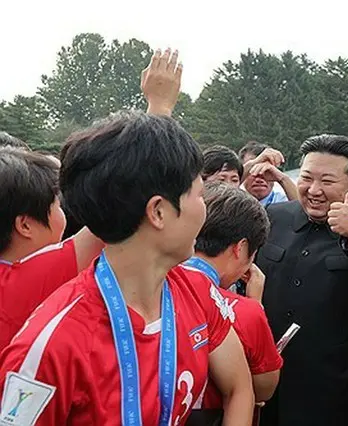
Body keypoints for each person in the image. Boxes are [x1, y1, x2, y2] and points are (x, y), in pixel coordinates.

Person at [0, 50, 254, 426]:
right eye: (200, 195)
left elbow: (241, 388)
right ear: (157, 212)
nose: (206, 210)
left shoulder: (195, 291)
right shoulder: (53, 344)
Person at [256, 134, 348, 426]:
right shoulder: (274, 217)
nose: (314, 190)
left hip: (334, 386)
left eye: (327, 181)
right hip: (270, 378)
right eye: (307, 178)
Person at [181, 183, 281, 424]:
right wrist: (255, 305)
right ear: (241, 248)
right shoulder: (244, 310)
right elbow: (264, 387)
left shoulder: (151, 283)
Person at [0, 147, 104, 349]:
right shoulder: (21, 284)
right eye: (57, 206)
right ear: (25, 226)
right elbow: (111, 219)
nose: (64, 212)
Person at [238, 142, 297, 206]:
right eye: (253, 169)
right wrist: (253, 163)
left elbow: (304, 211)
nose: (259, 178)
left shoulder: (285, 200)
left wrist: (283, 179)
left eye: (266, 171)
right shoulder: (235, 201)